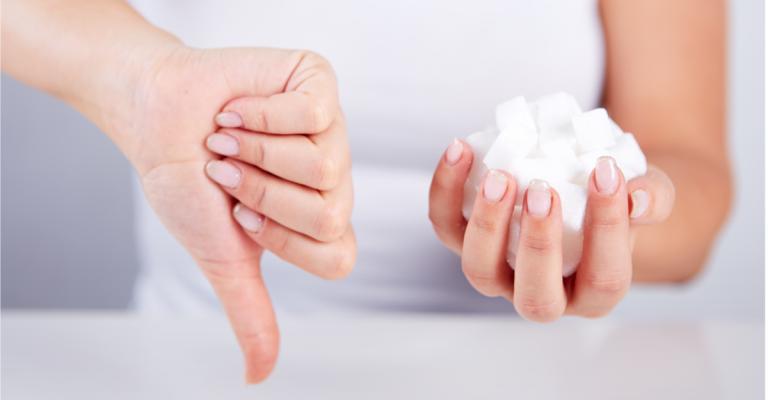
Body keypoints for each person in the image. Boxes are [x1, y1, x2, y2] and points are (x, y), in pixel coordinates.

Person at [3, 0, 730, 383]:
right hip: (202, 366)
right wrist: (143, 82)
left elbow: (689, 168)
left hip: (530, 376)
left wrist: (602, 228)